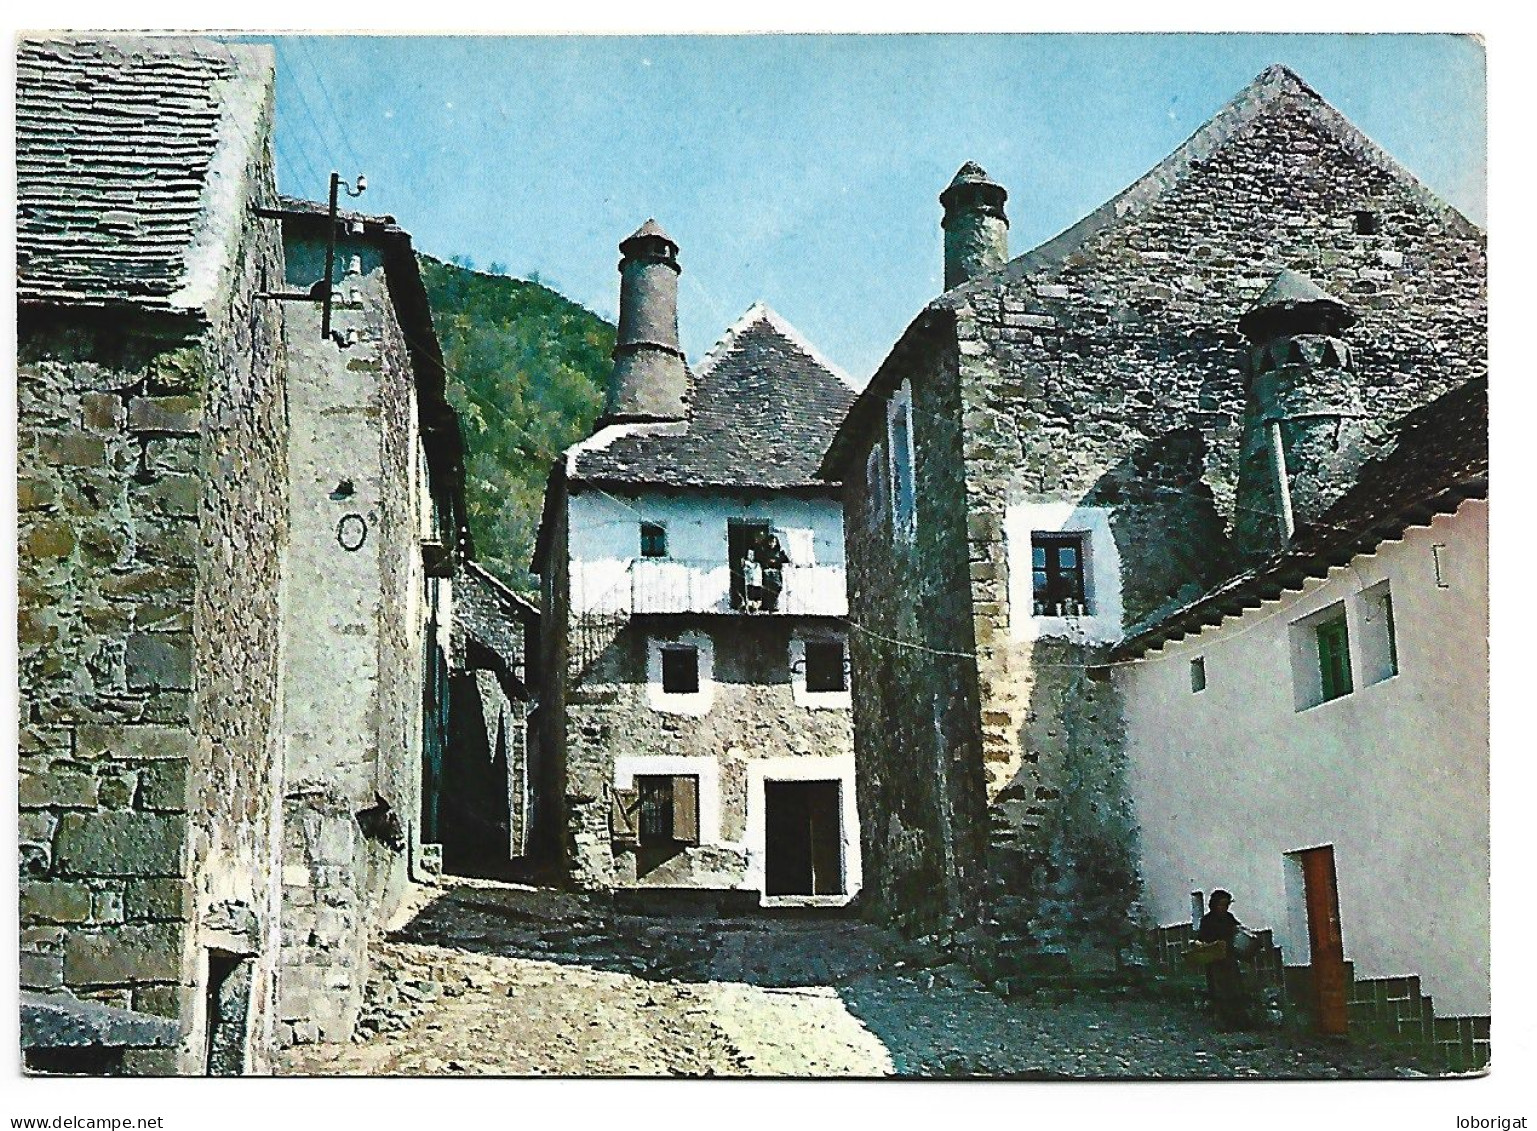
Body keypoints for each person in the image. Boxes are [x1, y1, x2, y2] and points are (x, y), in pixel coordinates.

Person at [1196, 889, 1253, 1029]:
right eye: (1222, 904)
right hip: (1214, 960)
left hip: (1229, 959)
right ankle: (1223, 1022)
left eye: (1226, 905)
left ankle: (1239, 1022)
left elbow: (1237, 930)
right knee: (1219, 992)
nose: (1224, 908)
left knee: (1235, 989)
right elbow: (1201, 940)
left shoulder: (1229, 918)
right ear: (1214, 905)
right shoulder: (1207, 920)